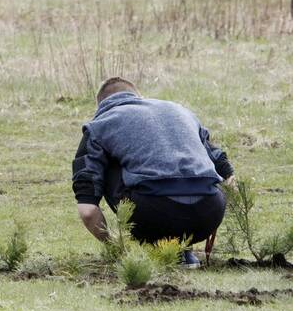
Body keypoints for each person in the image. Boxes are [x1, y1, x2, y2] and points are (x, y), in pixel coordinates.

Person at [72, 77, 234, 268]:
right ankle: (181, 252)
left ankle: (156, 246)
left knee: (106, 165)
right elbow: (223, 165)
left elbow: (88, 211)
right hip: (209, 214)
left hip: (152, 217)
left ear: (100, 105)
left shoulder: (100, 124)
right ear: (138, 96)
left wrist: (117, 250)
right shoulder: (180, 111)